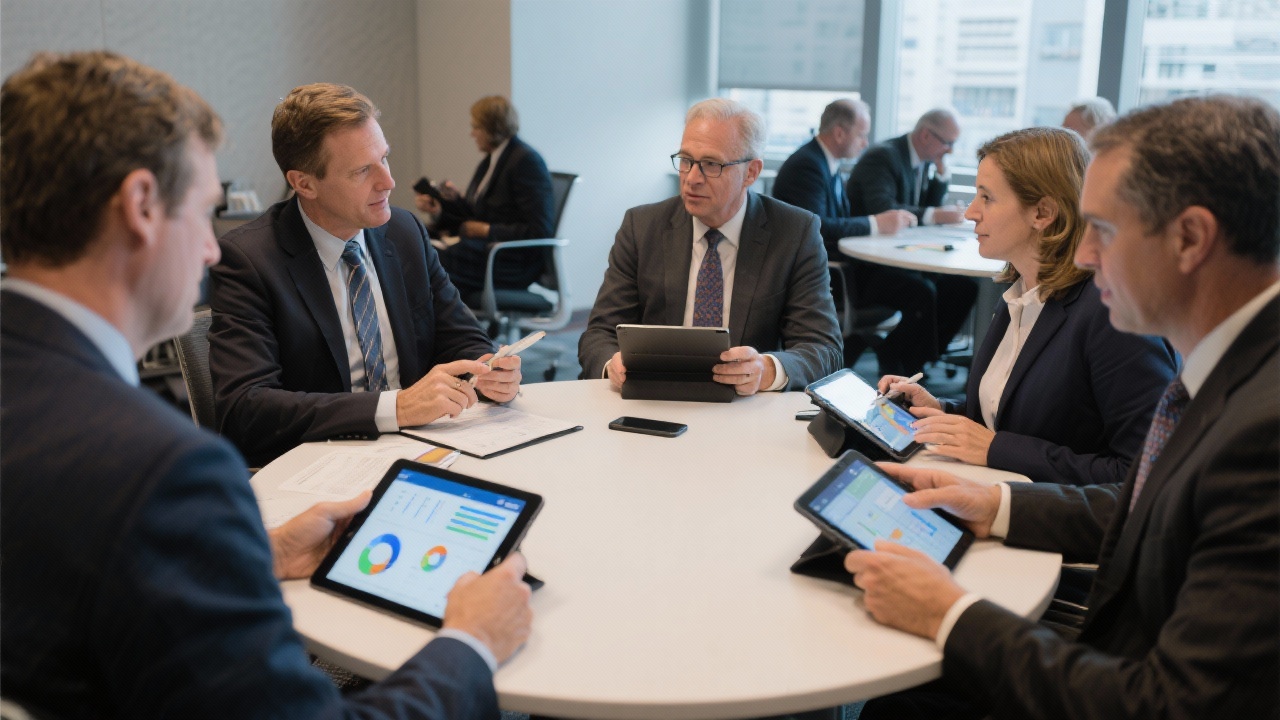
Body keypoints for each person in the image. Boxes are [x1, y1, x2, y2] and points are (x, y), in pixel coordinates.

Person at [0, 50, 534, 719]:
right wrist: (471, 642)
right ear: (140, 207)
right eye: (204, 210)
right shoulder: (164, 474)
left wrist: (257, 550)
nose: (209, 249)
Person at [846, 95, 1279, 718]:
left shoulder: (1264, 432)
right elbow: (1146, 502)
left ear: (1189, 238)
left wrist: (950, 615)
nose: (1083, 255)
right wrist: (995, 505)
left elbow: (1174, 705)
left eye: (1104, 229)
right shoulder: (1235, 368)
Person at [209, 83, 522, 467]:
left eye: (384, 159)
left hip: (422, 449)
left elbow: (461, 336)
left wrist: (490, 371)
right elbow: (245, 408)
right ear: (304, 183)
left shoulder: (404, 232)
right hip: (321, 464)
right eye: (362, 171)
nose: (388, 182)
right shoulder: (250, 260)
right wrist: (395, 408)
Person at [878, 127, 1176, 486]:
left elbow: (1141, 476)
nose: (971, 212)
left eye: (987, 198)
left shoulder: (1113, 315)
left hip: (1043, 515)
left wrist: (995, 449)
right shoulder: (1021, 292)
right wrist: (940, 409)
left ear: (1042, 213)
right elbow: (1015, 418)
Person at [577, 98, 842, 395]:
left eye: (711, 165)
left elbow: (823, 348)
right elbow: (599, 334)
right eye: (686, 160)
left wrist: (767, 369)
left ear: (751, 172)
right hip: (652, 398)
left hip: (746, 408)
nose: (692, 178)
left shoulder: (794, 233)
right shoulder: (642, 226)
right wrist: (612, 364)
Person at [842, 108, 979, 375]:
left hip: (900, 259)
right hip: (868, 267)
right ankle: (902, 361)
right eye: (947, 143)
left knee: (963, 289)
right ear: (926, 135)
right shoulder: (884, 157)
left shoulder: (923, 160)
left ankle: (913, 358)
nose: (950, 150)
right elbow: (884, 209)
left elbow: (925, 207)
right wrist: (935, 214)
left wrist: (941, 175)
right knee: (923, 293)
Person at [417, 95, 556, 297]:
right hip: (489, 252)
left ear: (493, 128)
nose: (472, 134)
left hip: (511, 261)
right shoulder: (492, 160)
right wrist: (442, 207)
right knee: (418, 241)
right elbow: (477, 214)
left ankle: (438, 316)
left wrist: (487, 230)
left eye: (476, 127)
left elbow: (540, 231)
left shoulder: (526, 161)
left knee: (430, 260)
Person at [771, 98, 917, 253]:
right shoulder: (807, 165)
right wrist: (876, 224)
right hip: (814, 262)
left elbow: (838, 219)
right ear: (839, 134)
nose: (865, 143)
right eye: (861, 135)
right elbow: (818, 227)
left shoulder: (827, 160)